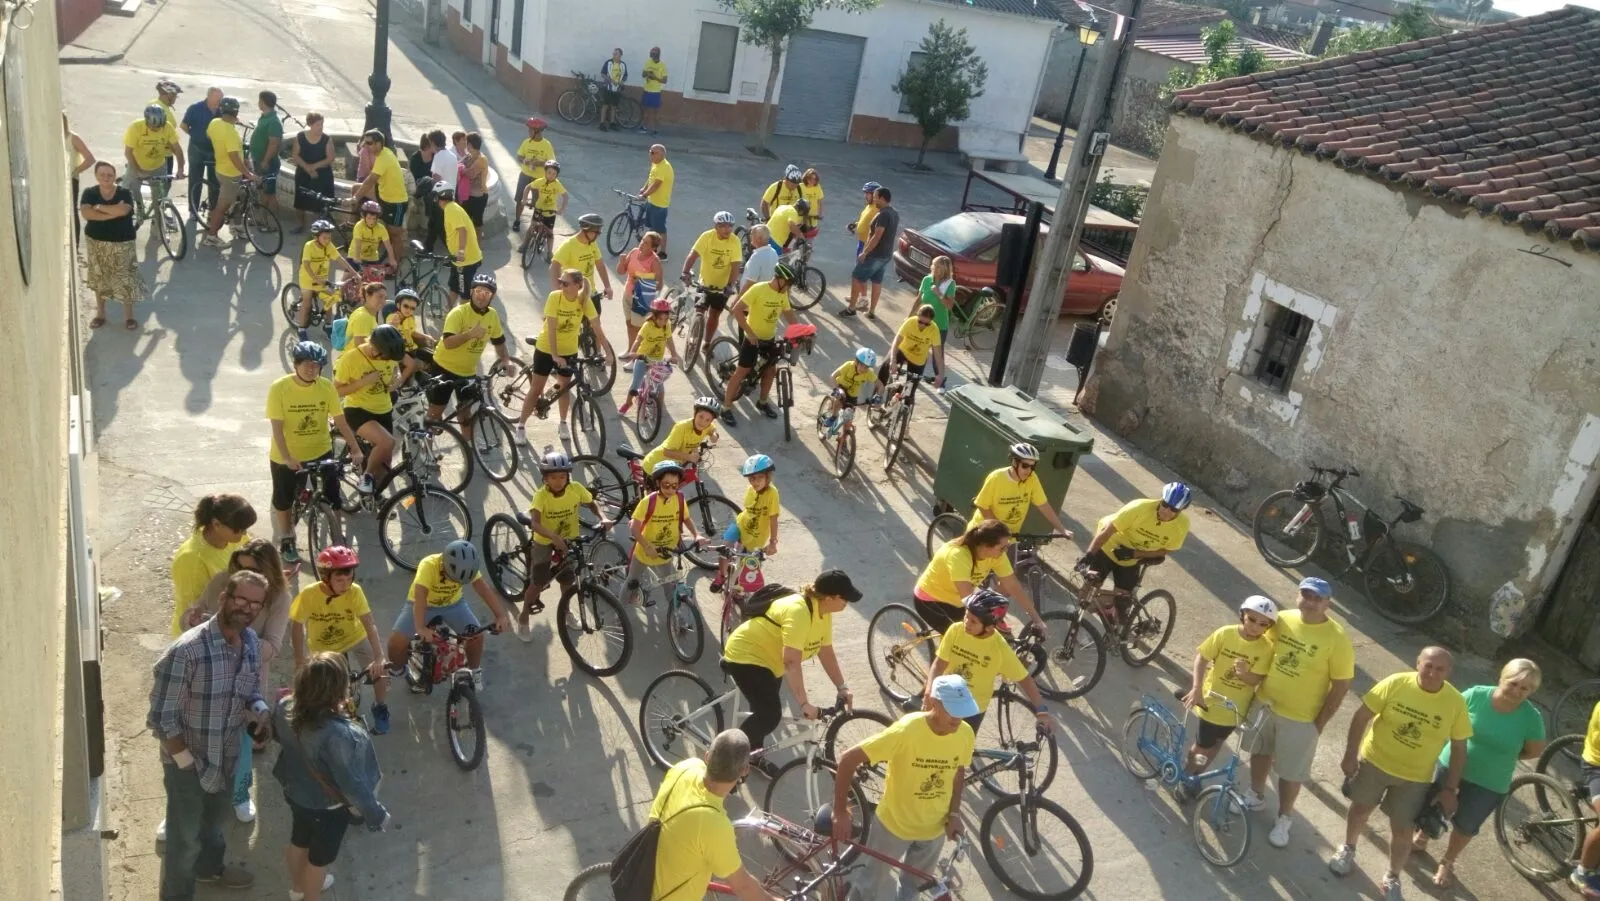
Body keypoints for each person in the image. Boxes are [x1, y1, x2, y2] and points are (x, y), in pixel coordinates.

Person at [149, 571, 273, 896]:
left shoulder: (248, 643)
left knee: (214, 825)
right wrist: (185, 762)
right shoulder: (186, 651)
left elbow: (249, 691)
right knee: (184, 841)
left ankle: (209, 870)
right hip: (186, 765)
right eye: (241, 599)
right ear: (223, 598)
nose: (247, 608)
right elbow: (161, 718)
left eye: (255, 604)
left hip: (227, 756)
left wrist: (260, 712)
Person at [1330, 647, 1471, 901]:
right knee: (1361, 808)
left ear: (1448, 673)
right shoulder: (1396, 683)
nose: (1432, 672)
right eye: (1428, 665)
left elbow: (1460, 747)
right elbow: (1362, 715)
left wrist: (1450, 789)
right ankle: (1348, 848)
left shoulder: (1455, 702)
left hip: (1415, 778)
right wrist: (1350, 754)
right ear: (1418, 663)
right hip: (1374, 762)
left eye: (1440, 669)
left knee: (1403, 829)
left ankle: (1393, 876)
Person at [833, 674, 975, 900]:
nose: (958, 718)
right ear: (935, 704)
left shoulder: (965, 733)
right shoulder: (906, 731)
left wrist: (954, 813)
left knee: (912, 892)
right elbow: (848, 759)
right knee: (868, 888)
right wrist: (840, 811)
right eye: (952, 710)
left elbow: (958, 773)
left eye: (963, 710)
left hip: (933, 831)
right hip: (892, 828)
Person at [1240, 576, 1354, 848]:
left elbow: (1341, 685)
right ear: (1297, 596)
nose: (1311, 602)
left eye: (1318, 598)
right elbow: (1256, 642)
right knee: (1260, 751)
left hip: (1302, 717)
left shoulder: (1337, 639)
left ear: (1328, 604)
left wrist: (1320, 722)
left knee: (1291, 772)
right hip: (1265, 703)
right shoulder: (1282, 620)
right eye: (1306, 595)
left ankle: (1285, 817)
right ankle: (1256, 794)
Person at [1411, 658, 1544, 889]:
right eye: (1513, 684)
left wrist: (1500, 755)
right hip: (1451, 765)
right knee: (1434, 805)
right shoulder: (1476, 695)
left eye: (1525, 689)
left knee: (1466, 825)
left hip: (1490, 781)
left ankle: (1447, 861)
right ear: (1502, 677)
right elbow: (1448, 719)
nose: (1517, 691)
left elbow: (1533, 750)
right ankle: (1422, 837)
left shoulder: (1531, 717)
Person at [189, 540, 293, 824]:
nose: (245, 579)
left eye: (255, 571)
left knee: (241, 743)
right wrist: (195, 617)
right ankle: (184, 802)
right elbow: (196, 611)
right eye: (240, 568)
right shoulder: (222, 581)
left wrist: (237, 639)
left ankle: (240, 794)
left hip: (247, 679)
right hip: (206, 673)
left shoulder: (280, 598)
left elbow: (272, 646)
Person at [271, 652, 389, 901]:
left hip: (295, 792)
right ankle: (310, 893)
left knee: (299, 840)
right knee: (319, 860)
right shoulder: (339, 734)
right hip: (327, 806)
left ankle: (297, 889)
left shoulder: (285, 707)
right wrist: (375, 814)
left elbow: (278, 735)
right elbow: (352, 783)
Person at [719, 571, 860, 759]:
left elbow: (826, 652)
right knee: (769, 716)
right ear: (830, 598)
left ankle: (751, 756)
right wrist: (804, 703)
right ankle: (724, 760)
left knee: (762, 711)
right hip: (747, 657)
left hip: (770, 662)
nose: (847, 603)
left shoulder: (823, 612)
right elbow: (791, 662)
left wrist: (842, 687)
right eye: (845, 599)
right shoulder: (799, 612)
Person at [647, 729, 782, 901]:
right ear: (745, 771)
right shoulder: (714, 826)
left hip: (645, 871)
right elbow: (743, 886)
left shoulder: (687, 766)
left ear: (707, 756)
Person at [268, 342, 363, 564]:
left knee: (333, 495)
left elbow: (340, 420)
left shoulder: (325, 386)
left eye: (317, 366)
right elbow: (277, 429)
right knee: (284, 500)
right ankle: (287, 538)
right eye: (307, 365)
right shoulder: (279, 388)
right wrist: (288, 458)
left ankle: (337, 538)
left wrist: (356, 449)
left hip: (321, 450)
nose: (312, 370)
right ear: (296, 365)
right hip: (287, 455)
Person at [384, 541, 512, 691]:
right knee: (396, 643)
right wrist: (420, 627)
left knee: (476, 636)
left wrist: (500, 615)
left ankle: (474, 670)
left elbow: (482, 588)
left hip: (453, 604)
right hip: (424, 604)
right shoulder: (428, 565)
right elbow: (420, 597)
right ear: (444, 564)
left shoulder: (467, 565)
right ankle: (399, 670)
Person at [289, 546, 390, 734]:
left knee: (381, 672)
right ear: (326, 578)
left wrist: (379, 657)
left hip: (355, 637)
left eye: (349, 578)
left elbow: (369, 624)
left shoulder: (355, 591)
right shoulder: (309, 595)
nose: (346, 585)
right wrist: (299, 660)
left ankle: (380, 706)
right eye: (340, 580)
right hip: (323, 647)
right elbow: (296, 627)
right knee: (324, 690)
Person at [1178, 596, 1277, 787]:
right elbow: (1202, 657)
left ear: (1268, 627)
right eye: (1252, 620)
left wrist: (1244, 674)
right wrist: (1196, 688)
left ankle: (1198, 774)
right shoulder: (1225, 634)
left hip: (1235, 708)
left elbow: (1256, 680)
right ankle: (1187, 776)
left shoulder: (1266, 648)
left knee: (1217, 743)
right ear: (1242, 615)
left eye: (1263, 624)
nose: (1255, 627)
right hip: (1211, 701)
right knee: (1202, 745)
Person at [924, 589, 1053, 730]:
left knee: (960, 748)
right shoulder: (956, 630)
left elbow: (1024, 679)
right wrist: (929, 691)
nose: (966, 622)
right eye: (966, 616)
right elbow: (939, 664)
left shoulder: (999, 649)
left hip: (972, 710)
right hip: (945, 700)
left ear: (990, 627)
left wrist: (1042, 711)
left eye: (973, 621)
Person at [511, 267, 614, 444]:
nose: (561, 285)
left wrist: (608, 353)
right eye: (560, 282)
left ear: (578, 285)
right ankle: (521, 426)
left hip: (569, 350)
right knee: (537, 389)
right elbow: (551, 329)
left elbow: (597, 328)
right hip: (546, 348)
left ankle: (563, 422)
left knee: (564, 387)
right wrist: (554, 355)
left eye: (565, 283)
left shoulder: (584, 301)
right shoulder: (555, 297)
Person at [514, 451, 610, 639]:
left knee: (567, 580)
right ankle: (524, 616)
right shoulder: (541, 496)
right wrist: (553, 537)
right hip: (545, 541)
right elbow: (535, 523)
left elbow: (591, 503)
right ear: (545, 479)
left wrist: (603, 517)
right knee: (538, 582)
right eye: (553, 477)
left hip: (569, 538)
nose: (558, 481)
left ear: (568, 476)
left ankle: (566, 611)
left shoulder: (575, 488)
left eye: (562, 476)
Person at [919, 519, 1045, 637]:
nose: (1006, 551)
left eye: (1007, 546)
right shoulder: (959, 556)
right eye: (1002, 547)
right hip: (931, 599)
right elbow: (967, 598)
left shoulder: (996, 555)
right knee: (959, 640)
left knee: (977, 637)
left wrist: (1036, 619)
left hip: (956, 601)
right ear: (986, 546)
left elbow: (1013, 585)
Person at [427, 273, 512, 444]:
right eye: (479, 291)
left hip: (467, 372)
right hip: (443, 367)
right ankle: (426, 449)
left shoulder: (492, 315)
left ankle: (468, 448)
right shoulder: (458, 313)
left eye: (487, 293)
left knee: (465, 412)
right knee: (436, 412)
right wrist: (470, 334)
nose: (482, 296)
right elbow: (449, 343)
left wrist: (506, 360)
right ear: (472, 292)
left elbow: (499, 342)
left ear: (492, 296)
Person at [1079, 481, 1193, 601]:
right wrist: (1089, 554)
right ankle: (1078, 616)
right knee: (1090, 586)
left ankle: (1111, 612)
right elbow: (1108, 531)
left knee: (1121, 600)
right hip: (1110, 544)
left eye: (1173, 509)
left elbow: (1165, 550)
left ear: (1181, 510)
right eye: (1164, 504)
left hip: (1132, 557)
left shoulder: (1182, 525)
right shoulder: (1138, 508)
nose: (1166, 511)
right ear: (1161, 499)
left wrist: (1134, 554)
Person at [720, 263, 799, 426]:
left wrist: (800, 331)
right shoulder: (759, 289)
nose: (789, 288)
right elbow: (736, 310)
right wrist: (750, 333)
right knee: (741, 372)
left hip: (769, 338)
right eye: (788, 283)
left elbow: (788, 313)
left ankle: (762, 402)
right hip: (752, 338)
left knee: (770, 371)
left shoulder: (782, 293)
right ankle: (726, 407)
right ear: (778, 279)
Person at [170, 494, 257, 636]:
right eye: (239, 529)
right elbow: (196, 609)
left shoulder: (235, 539)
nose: (245, 534)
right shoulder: (191, 560)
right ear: (217, 524)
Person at [333, 324, 406, 493]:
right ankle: (366, 476)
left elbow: (396, 370)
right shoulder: (350, 359)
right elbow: (335, 390)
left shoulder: (390, 354)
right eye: (385, 357)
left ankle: (374, 495)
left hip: (383, 408)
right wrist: (362, 383)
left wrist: (397, 381)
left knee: (386, 464)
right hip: (358, 409)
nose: (388, 360)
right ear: (375, 348)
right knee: (387, 441)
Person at [623, 460, 705, 607]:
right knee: (631, 583)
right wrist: (647, 547)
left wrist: (696, 534)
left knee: (670, 588)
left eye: (675, 485)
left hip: (666, 552)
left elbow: (686, 518)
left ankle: (677, 618)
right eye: (666, 485)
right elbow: (634, 528)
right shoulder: (648, 501)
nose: (671, 489)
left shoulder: (679, 499)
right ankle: (619, 611)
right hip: (644, 553)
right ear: (658, 482)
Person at [79, 162, 141, 331]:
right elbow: (86, 214)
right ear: (96, 176)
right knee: (100, 279)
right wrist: (111, 212)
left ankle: (129, 317)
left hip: (123, 242)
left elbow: (123, 211)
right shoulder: (89, 193)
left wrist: (99, 208)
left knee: (126, 279)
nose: (106, 177)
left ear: (114, 176)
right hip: (97, 242)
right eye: (102, 174)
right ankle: (100, 314)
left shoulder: (125, 192)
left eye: (110, 175)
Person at [970, 442, 1073, 542]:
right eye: (1025, 465)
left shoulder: (1032, 478)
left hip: (1009, 537)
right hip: (984, 533)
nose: (1029, 470)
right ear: (1015, 462)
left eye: (1032, 467)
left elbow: (1043, 505)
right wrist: (999, 530)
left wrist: (1062, 529)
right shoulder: (996, 478)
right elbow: (982, 505)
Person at [710, 454, 779, 594]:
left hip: (757, 534)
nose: (755, 482)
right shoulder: (750, 490)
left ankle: (739, 588)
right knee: (725, 546)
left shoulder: (772, 494)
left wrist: (773, 542)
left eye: (760, 477)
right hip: (741, 524)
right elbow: (747, 511)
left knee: (746, 565)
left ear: (768, 476)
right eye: (752, 478)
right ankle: (721, 575)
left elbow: (773, 518)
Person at [681, 210, 743, 342]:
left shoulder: (735, 241)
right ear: (716, 227)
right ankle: (693, 336)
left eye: (730, 226)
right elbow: (693, 254)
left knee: (714, 316)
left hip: (722, 286)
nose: (728, 229)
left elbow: (736, 265)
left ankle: (707, 343)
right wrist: (685, 271)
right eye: (724, 226)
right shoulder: (707, 236)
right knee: (699, 310)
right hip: (704, 283)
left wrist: (730, 285)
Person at [200, 96, 253, 248]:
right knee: (221, 208)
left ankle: (236, 226)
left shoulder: (215, 123)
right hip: (231, 174)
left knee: (241, 196)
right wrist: (248, 173)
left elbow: (209, 135)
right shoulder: (231, 132)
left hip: (221, 169)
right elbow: (234, 156)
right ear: (236, 112)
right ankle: (211, 237)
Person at [352, 130, 409, 266]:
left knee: (395, 234)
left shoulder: (384, 158)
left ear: (379, 143)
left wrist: (355, 198)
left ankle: (394, 265)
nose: (366, 146)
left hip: (396, 202)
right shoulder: (382, 153)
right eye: (365, 143)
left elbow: (370, 180)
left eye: (369, 143)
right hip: (384, 198)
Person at [295, 219, 358, 338]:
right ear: (316, 237)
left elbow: (340, 259)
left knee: (330, 300)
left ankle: (328, 326)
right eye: (325, 238)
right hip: (308, 279)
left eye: (329, 237)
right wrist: (316, 278)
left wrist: (354, 273)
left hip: (322, 279)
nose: (328, 240)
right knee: (307, 304)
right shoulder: (309, 246)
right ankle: (301, 329)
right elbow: (307, 265)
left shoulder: (328, 245)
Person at [841, 185, 897, 319]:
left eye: (876, 197)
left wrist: (865, 253)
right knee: (877, 282)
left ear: (883, 199)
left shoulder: (883, 214)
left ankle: (851, 308)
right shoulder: (893, 213)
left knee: (856, 277)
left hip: (875, 255)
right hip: (885, 255)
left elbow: (877, 236)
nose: (874, 200)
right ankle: (871, 311)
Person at [619, 298, 682, 416]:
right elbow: (638, 340)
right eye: (660, 319)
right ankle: (628, 403)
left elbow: (669, 340)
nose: (663, 322)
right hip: (643, 358)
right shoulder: (647, 326)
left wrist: (674, 355)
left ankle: (660, 409)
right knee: (635, 384)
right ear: (653, 316)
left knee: (660, 387)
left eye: (666, 319)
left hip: (658, 360)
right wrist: (633, 353)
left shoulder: (667, 325)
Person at [641, 397, 722, 481]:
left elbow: (712, 429)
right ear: (695, 413)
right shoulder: (681, 427)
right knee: (657, 494)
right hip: (655, 467)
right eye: (701, 417)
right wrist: (689, 457)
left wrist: (714, 435)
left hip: (672, 468)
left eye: (708, 420)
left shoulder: (707, 426)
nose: (703, 422)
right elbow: (667, 452)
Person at [618, 230, 666, 363]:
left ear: (653, 247)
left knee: (639, 329)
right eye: (642, 240)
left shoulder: (655, 261)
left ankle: (636, 359)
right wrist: (622, 261)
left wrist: (641, 279)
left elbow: (659, 284)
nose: (642, 244)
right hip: (628, 294)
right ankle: (630, 351)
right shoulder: (634, 252)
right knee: (629, 324)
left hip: (641, 300)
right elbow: (621, 271)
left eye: (646, 243)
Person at [878, 304, 945, 391]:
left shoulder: (934, 329)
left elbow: (938, 355)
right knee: (885, 366)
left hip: (918, 359)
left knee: (909, 392)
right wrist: (893, 360)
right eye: (920, 322)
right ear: (917, 316)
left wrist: (940, 375)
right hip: (902, 351)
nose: (923, 325)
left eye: (927, 324)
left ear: (931, 322)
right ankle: (878, 394)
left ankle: (906, 401)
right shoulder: (910, 322)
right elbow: (896, 341)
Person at [550, 212, 613, 305]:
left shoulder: (592, 244)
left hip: (590, 293)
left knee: (596, 318)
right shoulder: (569, 245)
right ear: (587, 230)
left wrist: (607, 286)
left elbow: (600, 265)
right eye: (597, 232)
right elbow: (554, 267)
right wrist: (559, 292)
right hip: (574, 297)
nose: (598, 235)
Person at [122, 104, 185, 195]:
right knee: (129, 194)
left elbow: (177, 149)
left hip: (158, 166)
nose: (157, 129)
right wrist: (138, 171)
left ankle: (157, 208)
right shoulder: (136, 127)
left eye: (160, 127)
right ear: (146, 121)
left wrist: (180, 169)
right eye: (154, 126)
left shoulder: (167, 127)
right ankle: (138, 207)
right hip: (136, 164)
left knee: (160, 197)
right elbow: (128, 152)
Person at [288, 111, 335, 233]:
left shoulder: (326, 139)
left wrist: (313, 166)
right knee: (300, 201)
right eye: (318, 125)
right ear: (310, 124)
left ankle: (317, 228)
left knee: (318, 204)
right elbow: (295, 154)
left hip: (322, 175)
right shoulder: (301, 137)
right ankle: (300, 225)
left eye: (322, 124)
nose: (321, 127)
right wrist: (306, 167)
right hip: (303, 173)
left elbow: (330, 158)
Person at [435, 182, 482, 303]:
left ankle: (462, 319)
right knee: (454, 288)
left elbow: (462, 230)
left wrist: (461, 251)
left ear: (440, 198)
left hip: (465, 261)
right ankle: (449, 313)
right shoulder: (452, 208)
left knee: (464, 295)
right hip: (458, 260)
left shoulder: (451, 209)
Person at [179, 87, 222, 215]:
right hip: (196, 149)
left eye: (221, 98)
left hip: (214, 151)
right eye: (217, 97)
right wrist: (195, 135)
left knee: (214, 181)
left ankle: (213, 209)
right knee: (195, 179)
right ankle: (193, 210)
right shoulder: (195, 108)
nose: (220, 100)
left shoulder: (222, 110)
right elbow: (184, 125)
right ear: (209, 96)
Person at [818, 347, 881, 431]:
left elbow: (881, 386)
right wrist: (837, 389)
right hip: (840, 386)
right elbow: (833, 376)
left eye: (866, 367)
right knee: (840, 399)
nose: (863, 369)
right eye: (861, 365)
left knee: (848, 419)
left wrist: (878, 396)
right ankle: (833, 417)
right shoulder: (848, 365)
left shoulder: (869, 373)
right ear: (856, 362)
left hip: (852, 394)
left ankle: (844, 438)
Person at [512, 117, 555, 232]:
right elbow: (519, 156)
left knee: (538, 204)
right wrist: (525, 160)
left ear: (537, 131)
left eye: (530, 130)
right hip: (525, 174)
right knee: (520, 199)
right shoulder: (526, 142)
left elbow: (552, 163)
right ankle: (517, 220)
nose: (528, 132)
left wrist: (540, 163)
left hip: (539, 178)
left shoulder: (546, 145)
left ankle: (534, 225)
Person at [920, 256, 957, 383]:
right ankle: (914, 377)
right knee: (920, 350)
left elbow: (949, 306)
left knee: (937, 356)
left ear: (944, 270)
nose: (933, 268)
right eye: (933, 265)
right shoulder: (926, 279)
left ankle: (940, 381)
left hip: (939, 326)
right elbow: (919, 299)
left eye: (937, 267)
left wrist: (939, 293)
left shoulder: (950, 284)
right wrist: (910, 316)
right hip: (924, 323)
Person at [519, 159, 567, 250]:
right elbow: (528, 187)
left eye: (554, 174)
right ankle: (525, 244)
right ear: (545, 172)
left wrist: (562, 208)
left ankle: (549, 253)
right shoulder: (540, 181)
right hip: (539, 208)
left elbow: (565, 196)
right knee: (532, 227)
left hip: (550, 212)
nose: (551, 175)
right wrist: (524, 198)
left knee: (550, 233)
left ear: (557, 175)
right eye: (549, 172)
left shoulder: (557, 185)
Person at [636, 144, 675, 255]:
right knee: (653, 227)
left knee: (660, 229)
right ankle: (652, 246)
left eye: (653, 152)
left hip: (660, 204)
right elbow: (651, 178)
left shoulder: (664, 167)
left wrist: (644, 195)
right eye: (650, 152)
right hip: (652, 201)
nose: (650, 154)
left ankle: (663, 253)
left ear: (661, 154)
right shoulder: (656, 164)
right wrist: (644, 188)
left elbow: (656, 184)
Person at [425, 128, 458, 251]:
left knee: (439, 225)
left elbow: (436, 177)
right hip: (451, 194)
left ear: (433, 143)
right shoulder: (452, 155)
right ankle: (428, 247)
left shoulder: (439, 156)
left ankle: (453, 251)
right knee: (434, 223)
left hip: (440, 196)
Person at [250, 91, 283, 212]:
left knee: (268, 193)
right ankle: (265, 219)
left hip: (267, 164)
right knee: (265, 191)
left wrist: (265, 161)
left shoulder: (274, 121)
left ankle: (265, 219)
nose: (258, 103)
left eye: (259, 100)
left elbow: (274, 144)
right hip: (260, 161)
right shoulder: (264, 117)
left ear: (263, 102)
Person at [344, 282, 389, 357]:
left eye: (385, 298)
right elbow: (361, 350)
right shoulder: (363, 317)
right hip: (354, 363)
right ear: (368, 296)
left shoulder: (367, 313)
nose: (383, 301)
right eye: (380, 296)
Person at [348, 200, 394, 267]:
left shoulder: (381, 228)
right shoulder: (359, 226)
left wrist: (392, 259)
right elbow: (358, 243)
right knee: (347, 276)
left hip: (372, 258)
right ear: (364, 217)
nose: (371, 222)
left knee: (374, 276)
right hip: (355, 255)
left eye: (374, 219)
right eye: (369, 218)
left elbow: (388, 246)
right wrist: (357, 257)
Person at [461, 131, 490, 235]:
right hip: (467, 195)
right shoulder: (468, 156)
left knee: (477, 223)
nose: (465, 145)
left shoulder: (481, 159)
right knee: (465, 221)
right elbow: (459, 166)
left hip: (478, 196)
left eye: (466, 143)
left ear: (469, 145)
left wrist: (462, 170)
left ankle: (478, 246)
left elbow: (470, 175)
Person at [739, 225, 778, 296]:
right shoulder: (774, 252)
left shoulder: (756, 257)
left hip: (752, 297)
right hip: (766, 294)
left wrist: (737, 300)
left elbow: (750, 283)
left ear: (758, 238)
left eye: (752, 234)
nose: (750, 237)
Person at [598, 47, 628, 132]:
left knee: (614, 106)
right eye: (613, 54)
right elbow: (603, 74)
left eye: (616, 54)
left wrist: (622, 82)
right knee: (605, 105)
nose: (614, 55)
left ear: (620, 55)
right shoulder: (608, 63)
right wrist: (610, 80)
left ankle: (612, 123)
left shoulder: (623, 65)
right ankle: (602, 123)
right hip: (608, 87)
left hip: (617, 89)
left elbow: (625, 76)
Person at [639, 47, 668, 134]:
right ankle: (644, 127)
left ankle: (656, 129)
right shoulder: (648, 62)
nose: (652, 56)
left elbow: (665, 80)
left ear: (658, 54)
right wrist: (647, 73)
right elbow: (643, 74)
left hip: (656, 92)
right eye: (652, 54)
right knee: (645, 110)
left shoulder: (662, 65)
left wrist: (655, 77)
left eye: (654, 54)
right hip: (647, 90)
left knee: (656, 112)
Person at [798, 168, 824, 238]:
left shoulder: (817, 187)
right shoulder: (800, 186)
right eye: (811, 178)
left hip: (813, 218)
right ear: (806, 178)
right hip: (801, 218)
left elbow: (820, 201)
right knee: (797, 237)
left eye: (815, 179)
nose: (812, 181)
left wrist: (820, 214)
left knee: (809, 240)